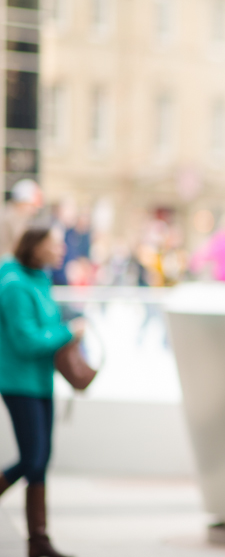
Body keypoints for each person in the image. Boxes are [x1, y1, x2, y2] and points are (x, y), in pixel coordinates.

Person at [0, 224, 84, 557]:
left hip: (40, 382)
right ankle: (38, 539)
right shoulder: (14, 286)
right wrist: (67, 334)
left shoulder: (39, 280)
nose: (62, 251)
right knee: (33, 457)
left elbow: (43, 327)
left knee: (41, 458)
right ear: (36, 247)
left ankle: (38, 540)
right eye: (55, 245)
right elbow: (26, 341)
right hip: (18, 383)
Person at [0, 180, 43, 256]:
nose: (35, 211)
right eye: (32, 206)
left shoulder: (12, 214)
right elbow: (25, 245)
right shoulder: (13, 218)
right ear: (22, 203)